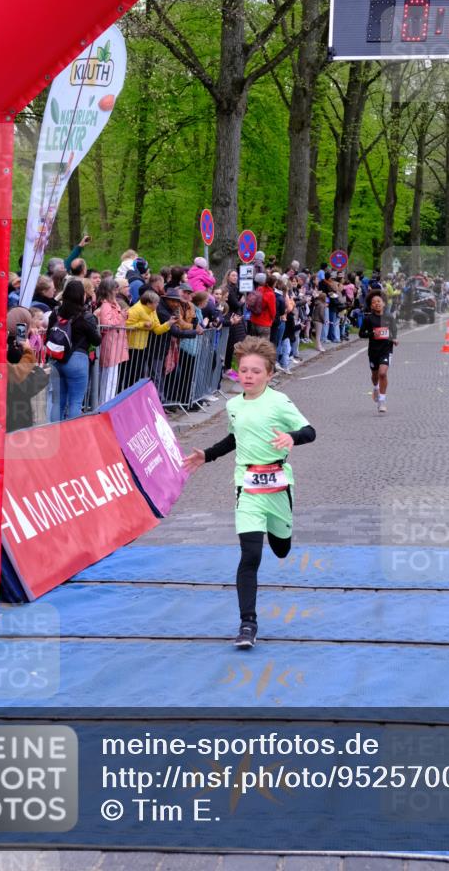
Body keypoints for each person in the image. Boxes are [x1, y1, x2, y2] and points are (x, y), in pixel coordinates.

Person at [184, 337, 316, 649]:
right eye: (244, 370)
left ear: (269, 374)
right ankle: (248, 624)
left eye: (256, 371)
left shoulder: (280, 402)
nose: (249, 376)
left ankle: (279, 530)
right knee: (251, 555)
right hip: (248, 486)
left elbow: (310, 431)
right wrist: (207, 454)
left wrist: (291, 437)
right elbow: (234, 438)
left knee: (281, 549)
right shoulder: (233, 405)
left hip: (279, 486)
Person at [47, 279, 101, 421]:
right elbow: (96, 340)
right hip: (77, 360)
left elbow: (48, 335)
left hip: (56, 359)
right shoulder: (86, 316)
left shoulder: (56, 312)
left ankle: (54, 433)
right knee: (75, 402)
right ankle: (72, 437)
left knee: (58, 402)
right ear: (82, 296)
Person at [359, 291, 398, 415]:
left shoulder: (389, 317)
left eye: (379, 301)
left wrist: (395, 339)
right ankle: (376, 387)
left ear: (384, 303)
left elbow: (394, 331)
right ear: (371, 306)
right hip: (373, 351)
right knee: (375, 375)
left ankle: (382, 401)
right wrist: (371, 334)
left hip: (386, 350)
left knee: (382, 374)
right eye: (374, 302)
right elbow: (361, 334)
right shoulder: (368, 319)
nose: (377, 304)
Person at [95, 277, 129, 401]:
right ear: (109, 290)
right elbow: (107, 323)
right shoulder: (106, 305)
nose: (117, 291)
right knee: (108, 378)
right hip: (110, 343)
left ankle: (108, 402)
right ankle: (105, 403)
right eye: (115, 289)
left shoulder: (112, 304)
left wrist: (123, 316)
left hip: (115, 343)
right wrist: (122, 317)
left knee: (112, 377)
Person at [247, 272, 276, 338]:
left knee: (254, 344)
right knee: (263, 346)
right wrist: (272, 319)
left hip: (254, 320)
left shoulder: (258, 289)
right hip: (264, 323)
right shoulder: (270, 294)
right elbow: (273, 311)